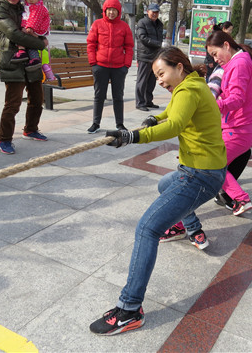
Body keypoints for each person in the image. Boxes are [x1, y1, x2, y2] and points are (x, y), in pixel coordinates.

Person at [89, 46, 227, 335]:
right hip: (199, 170)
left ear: (179, 66)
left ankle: (129, 310)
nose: (160, 80)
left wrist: (132, 136)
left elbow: (175, 124)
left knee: (146, 230)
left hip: (200, 175)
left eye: (162, 73)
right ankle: (188, 226)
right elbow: (174, 113)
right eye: (156, 76)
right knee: (164, 185)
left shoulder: (188, 91)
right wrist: (156, 116)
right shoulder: (191, 86)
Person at [0, 0, 49, 155]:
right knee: (13, 104)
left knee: (37, 99)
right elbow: (14, 34)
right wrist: (40, 44)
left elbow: (36, 26)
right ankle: (4, 139)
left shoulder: (25, 7)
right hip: (13, 60)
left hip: (31, 60)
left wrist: (41, 36)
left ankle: (30, 129)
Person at [206, 30, 252, 216]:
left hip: (238, 129)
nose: (215, 60)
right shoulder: (238, 63)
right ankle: (236, 199)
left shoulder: (238, 64)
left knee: (211, 163)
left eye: (215, 54)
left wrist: (213, 106)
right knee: (214, 163)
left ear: (226, 45)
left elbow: (236, 99)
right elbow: (231, 93)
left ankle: (240, 198)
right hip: (237, 127)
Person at [86, 0, 134, 134]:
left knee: (118, 96)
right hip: (100, 66)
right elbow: (91, 44)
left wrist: (126, 65)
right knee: (99, 95)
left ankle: (120, 124)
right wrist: (93, 63)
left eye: (114, 10)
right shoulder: (97, 24)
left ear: (118, 11)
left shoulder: (124, 27)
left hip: (119, 67)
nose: (111, 13)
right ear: (105, 11)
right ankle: (96, 123)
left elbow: (129, 46)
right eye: (109, 10)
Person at [12, 0, 54, 81]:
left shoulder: (38, 8)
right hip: (30, 30)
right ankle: (28, 55)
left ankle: (30, 56)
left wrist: (30, 28)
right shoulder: (28, 7)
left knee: (27, 41)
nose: (31, 0)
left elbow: (34, 19)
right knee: (30, 44)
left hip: (34, 29)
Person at [135, 3, 164, 111]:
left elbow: (160, 38)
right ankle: (140, 102)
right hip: (145, 56)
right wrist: (158, 44)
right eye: (153, 12)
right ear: (148, 11)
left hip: (155, 56)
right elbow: (142, 38)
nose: (155, 14)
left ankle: (148, 101)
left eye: (157, 12)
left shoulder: (159, 24)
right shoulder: (142, 22)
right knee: (142, 80)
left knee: (151, 81)